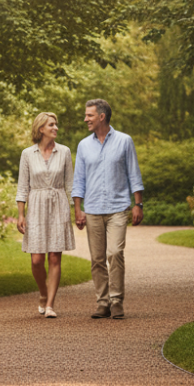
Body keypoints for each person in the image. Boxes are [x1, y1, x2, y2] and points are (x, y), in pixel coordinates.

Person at [71, 98, 144, 319]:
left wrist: (138, 204)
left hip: (118, 208)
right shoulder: (84, 145)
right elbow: (79, 180)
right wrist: (78, 210)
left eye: (89, 115)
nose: (86, 119)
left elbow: (134, 174)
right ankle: (102, 302)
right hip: (92, 209)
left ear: (102, 117)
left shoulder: (124, 141)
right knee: (97, 258)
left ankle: (117, 300)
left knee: (115, 252)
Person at [16, 111, 75, 319]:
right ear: (41, 129)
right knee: (37, 260)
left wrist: (76, 209)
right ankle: (42, 292)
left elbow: (70, 185)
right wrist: (21, 214)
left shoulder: (65, 152)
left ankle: (50, 304)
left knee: (55, 258)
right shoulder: (27, 154)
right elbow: (23, 186)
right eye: (51, 125)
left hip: (58, 205)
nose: (56, 128)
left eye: (56, 124)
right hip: (37, 206)